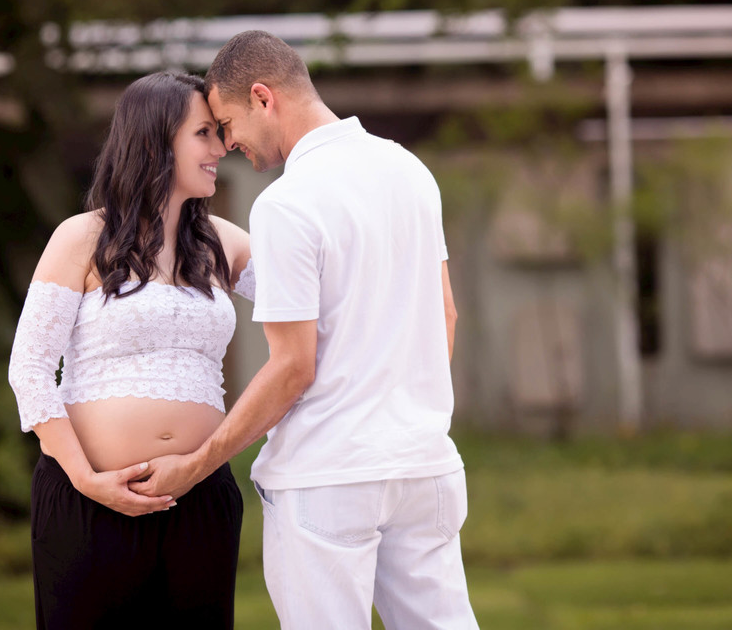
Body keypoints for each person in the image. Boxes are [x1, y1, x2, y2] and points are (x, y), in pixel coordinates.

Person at [131, 31, 479, 629]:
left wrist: (196, 465)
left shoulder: (286, 203)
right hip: (424, 466)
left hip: (327, 481)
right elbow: (444, 314)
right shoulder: (410, 170)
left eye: (228, 122)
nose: (228, 142)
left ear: (263, 97)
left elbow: (293, 366)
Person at [7, 70, 255, 628]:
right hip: (87, 499)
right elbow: (29, 368)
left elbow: (319, 303)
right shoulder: (80, 238)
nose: (222, 147)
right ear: (154, 139)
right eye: (204, 134)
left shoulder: (227, 243)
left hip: (201, 501)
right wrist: (85, 479)